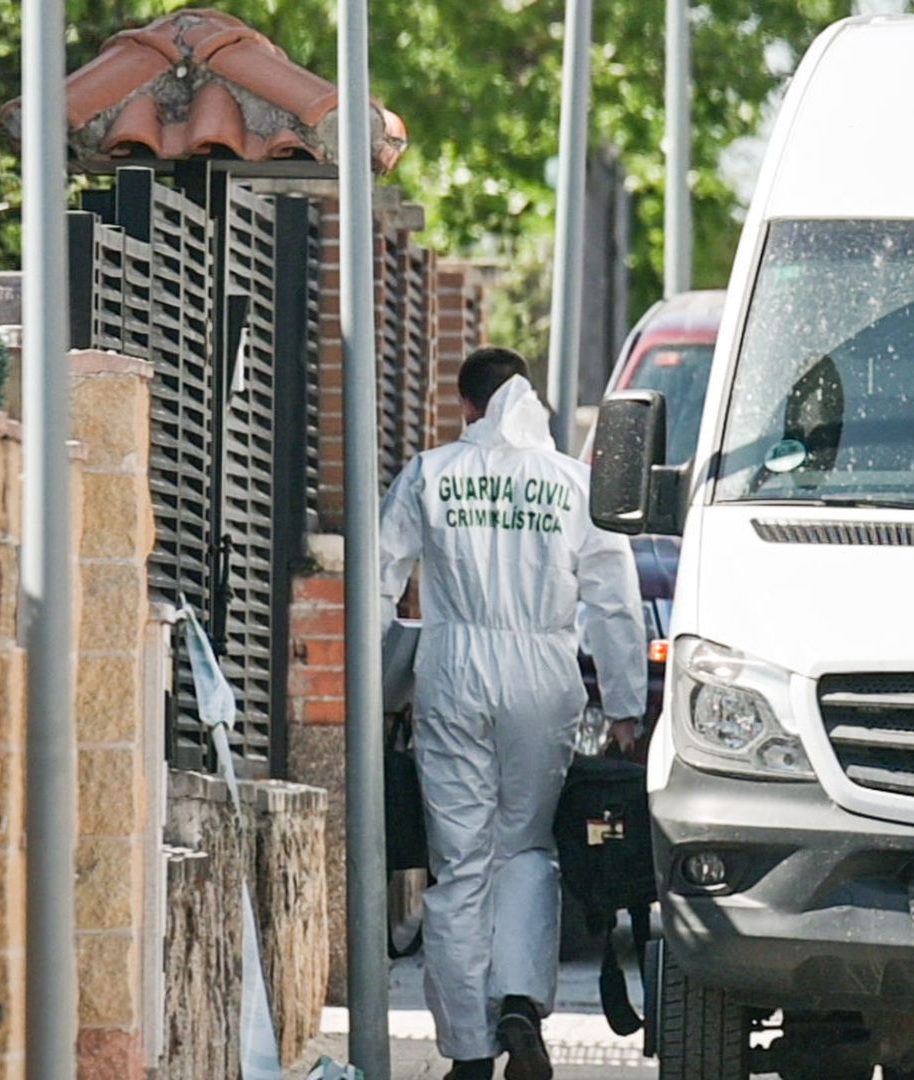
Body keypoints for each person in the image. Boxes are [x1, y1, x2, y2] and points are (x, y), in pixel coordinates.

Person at [378, 347, 647, 1080]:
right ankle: (521, 1005)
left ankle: (468, 1047)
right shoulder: (571, 484)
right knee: (527, 848)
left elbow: (379, 576)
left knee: (460, 865)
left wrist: (375, 685)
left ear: (467, 406)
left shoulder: (431, 475)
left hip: (454, 670)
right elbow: (616, 601)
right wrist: (625, 709)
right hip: (544, 677)